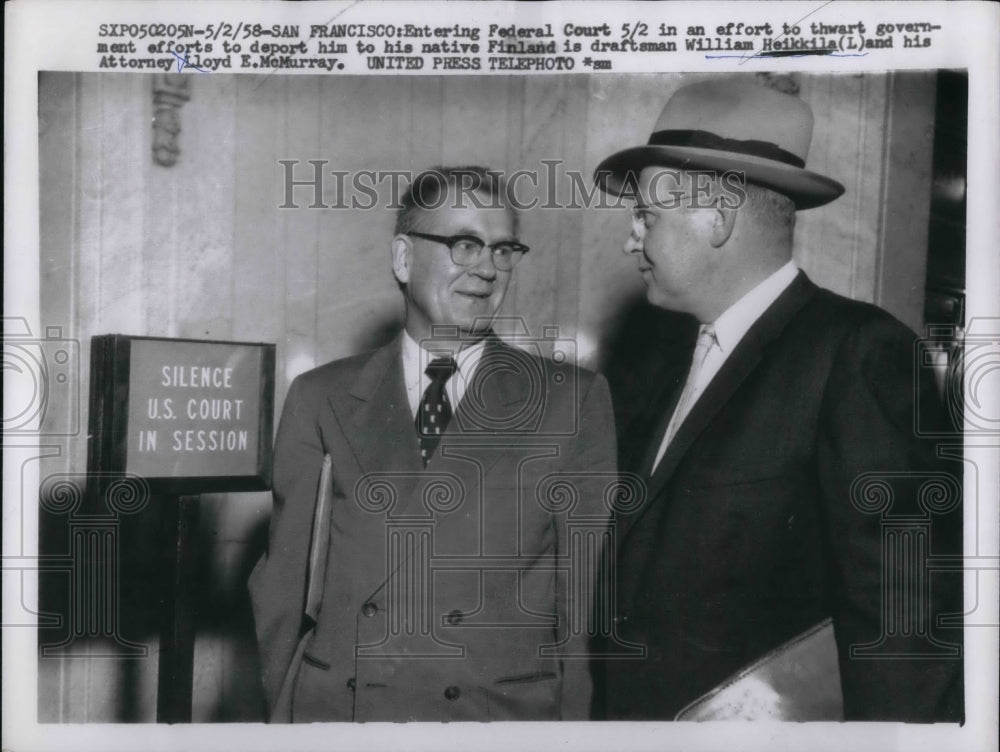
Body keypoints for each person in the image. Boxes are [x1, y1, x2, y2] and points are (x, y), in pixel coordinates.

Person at [590, 78, 963, 721]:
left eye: (647, 216)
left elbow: (904, 626)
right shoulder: (665, 363)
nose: (632, 239)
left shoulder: (859, 353)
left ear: (717, 218)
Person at [249, 166, 616, 721]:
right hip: (346, 719)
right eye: (464, 244)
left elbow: (585, 607)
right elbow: (282, 591)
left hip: (495, 723)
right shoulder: (320, 396)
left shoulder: (571, 400)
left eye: (503, 250)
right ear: (403, 258)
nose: (486, 269)